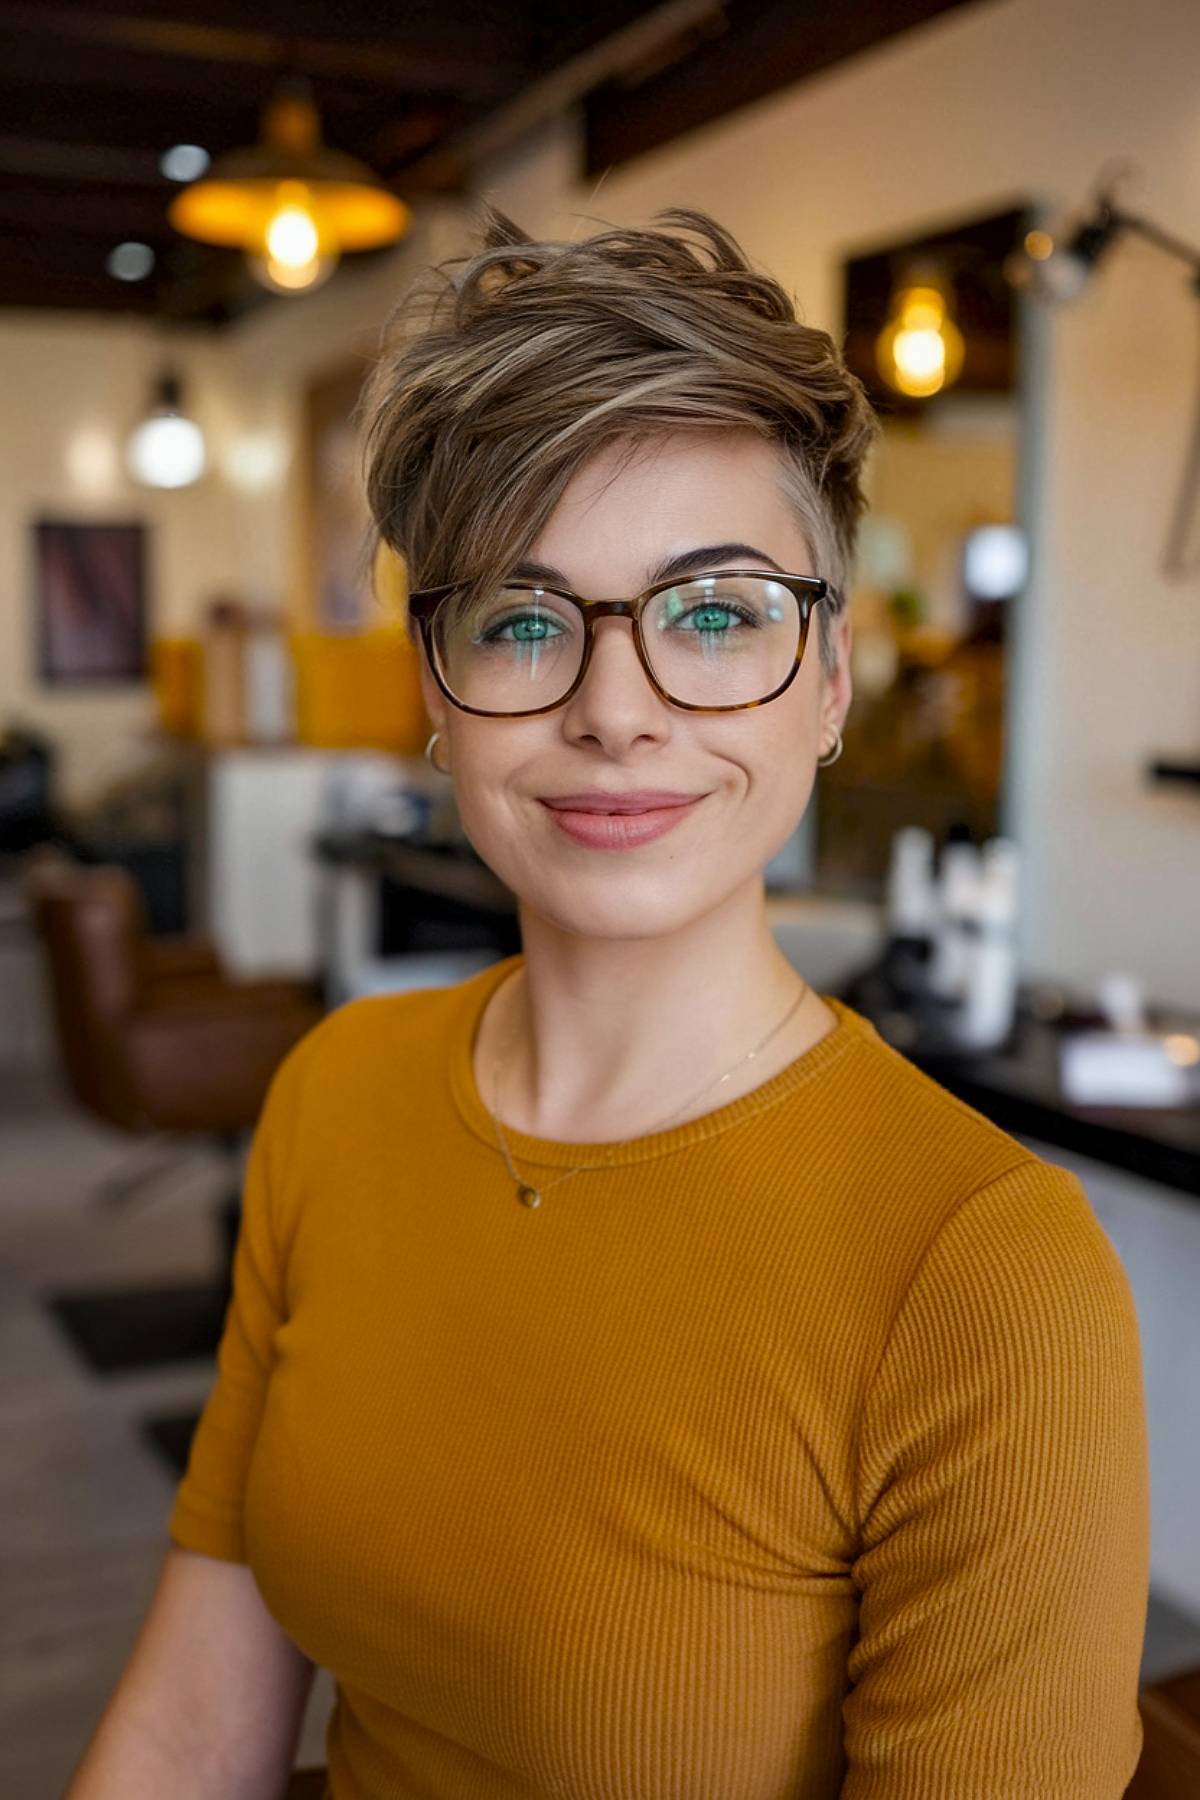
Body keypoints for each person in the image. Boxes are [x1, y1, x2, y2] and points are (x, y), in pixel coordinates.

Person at [65, 206, 1149, 1799]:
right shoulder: (336, 1090)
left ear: (831, 678)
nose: (616, 709)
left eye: (716, 615)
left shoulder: (987, 1279)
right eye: (522, 619)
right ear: (440, 693)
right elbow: (189, 1719)